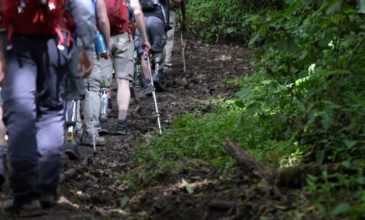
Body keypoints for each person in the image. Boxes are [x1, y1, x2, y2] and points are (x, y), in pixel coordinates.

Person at [0, 0, 96, 214]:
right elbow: (84, 8)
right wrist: (88, 46)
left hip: (14, 42)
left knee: (21, 116)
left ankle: (25, 197)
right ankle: (46, 189)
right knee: (51, 114)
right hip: (55, 42)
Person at [105, 0, 151, 135]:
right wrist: (144, 39)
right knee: (123, 81)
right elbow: (137, 12)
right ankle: (121, 122)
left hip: (102, 37)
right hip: (124, 37)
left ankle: (101, 119)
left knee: (104, 80)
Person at [81, 0, 112, 146]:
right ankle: (91, 133)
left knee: (72, 89)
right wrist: (106, 44)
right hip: (88, 41)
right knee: (91, 87)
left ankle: (74, 131)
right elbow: (103, 20)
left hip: (65, 40)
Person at [136, 0, 170, 95]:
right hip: (157, 19)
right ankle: (156, 76)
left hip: (140, 20)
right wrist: (166, 26)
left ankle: (148, 84)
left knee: (144, 53)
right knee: (158, 49)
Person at [163, 0, 183, 71]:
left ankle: (158, 62)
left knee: (163, 37)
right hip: (167, 12)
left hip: (155, 12)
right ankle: (165, 63)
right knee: (169, 38)